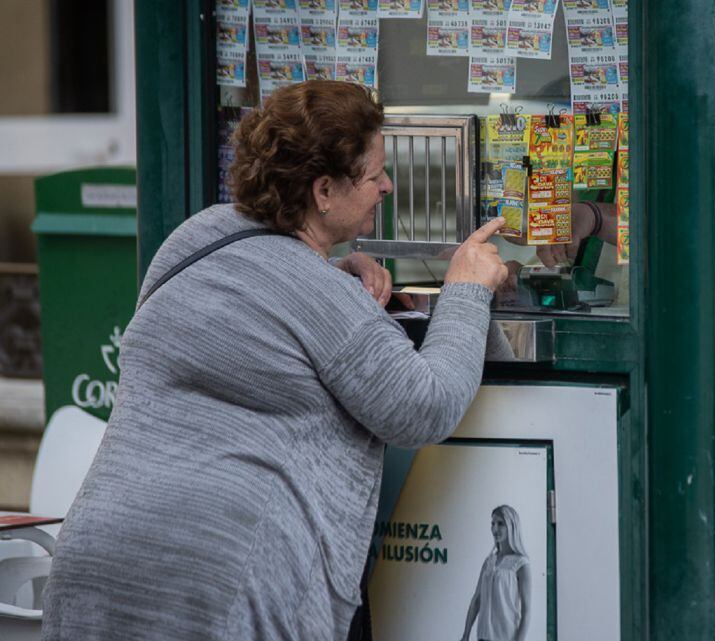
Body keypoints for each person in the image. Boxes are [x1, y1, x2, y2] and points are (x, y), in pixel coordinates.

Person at [41, 80, 508, 640]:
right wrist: (466, 288)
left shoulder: (196, 237)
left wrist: (334, 274)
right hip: (219, 585)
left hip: (94, 563)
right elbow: (423, 407)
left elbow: (253, 313)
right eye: (374, 174)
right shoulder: (314, 294)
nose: (387, 185)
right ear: (324, 190)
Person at [460, 505, 532, 641]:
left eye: (500, 524)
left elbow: (526, 612)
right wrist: (465, 635)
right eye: (492, 523)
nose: (495, 529)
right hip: (482, 637)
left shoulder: (521, 564)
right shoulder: (489, 561)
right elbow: (476, 600)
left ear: (511, 526)